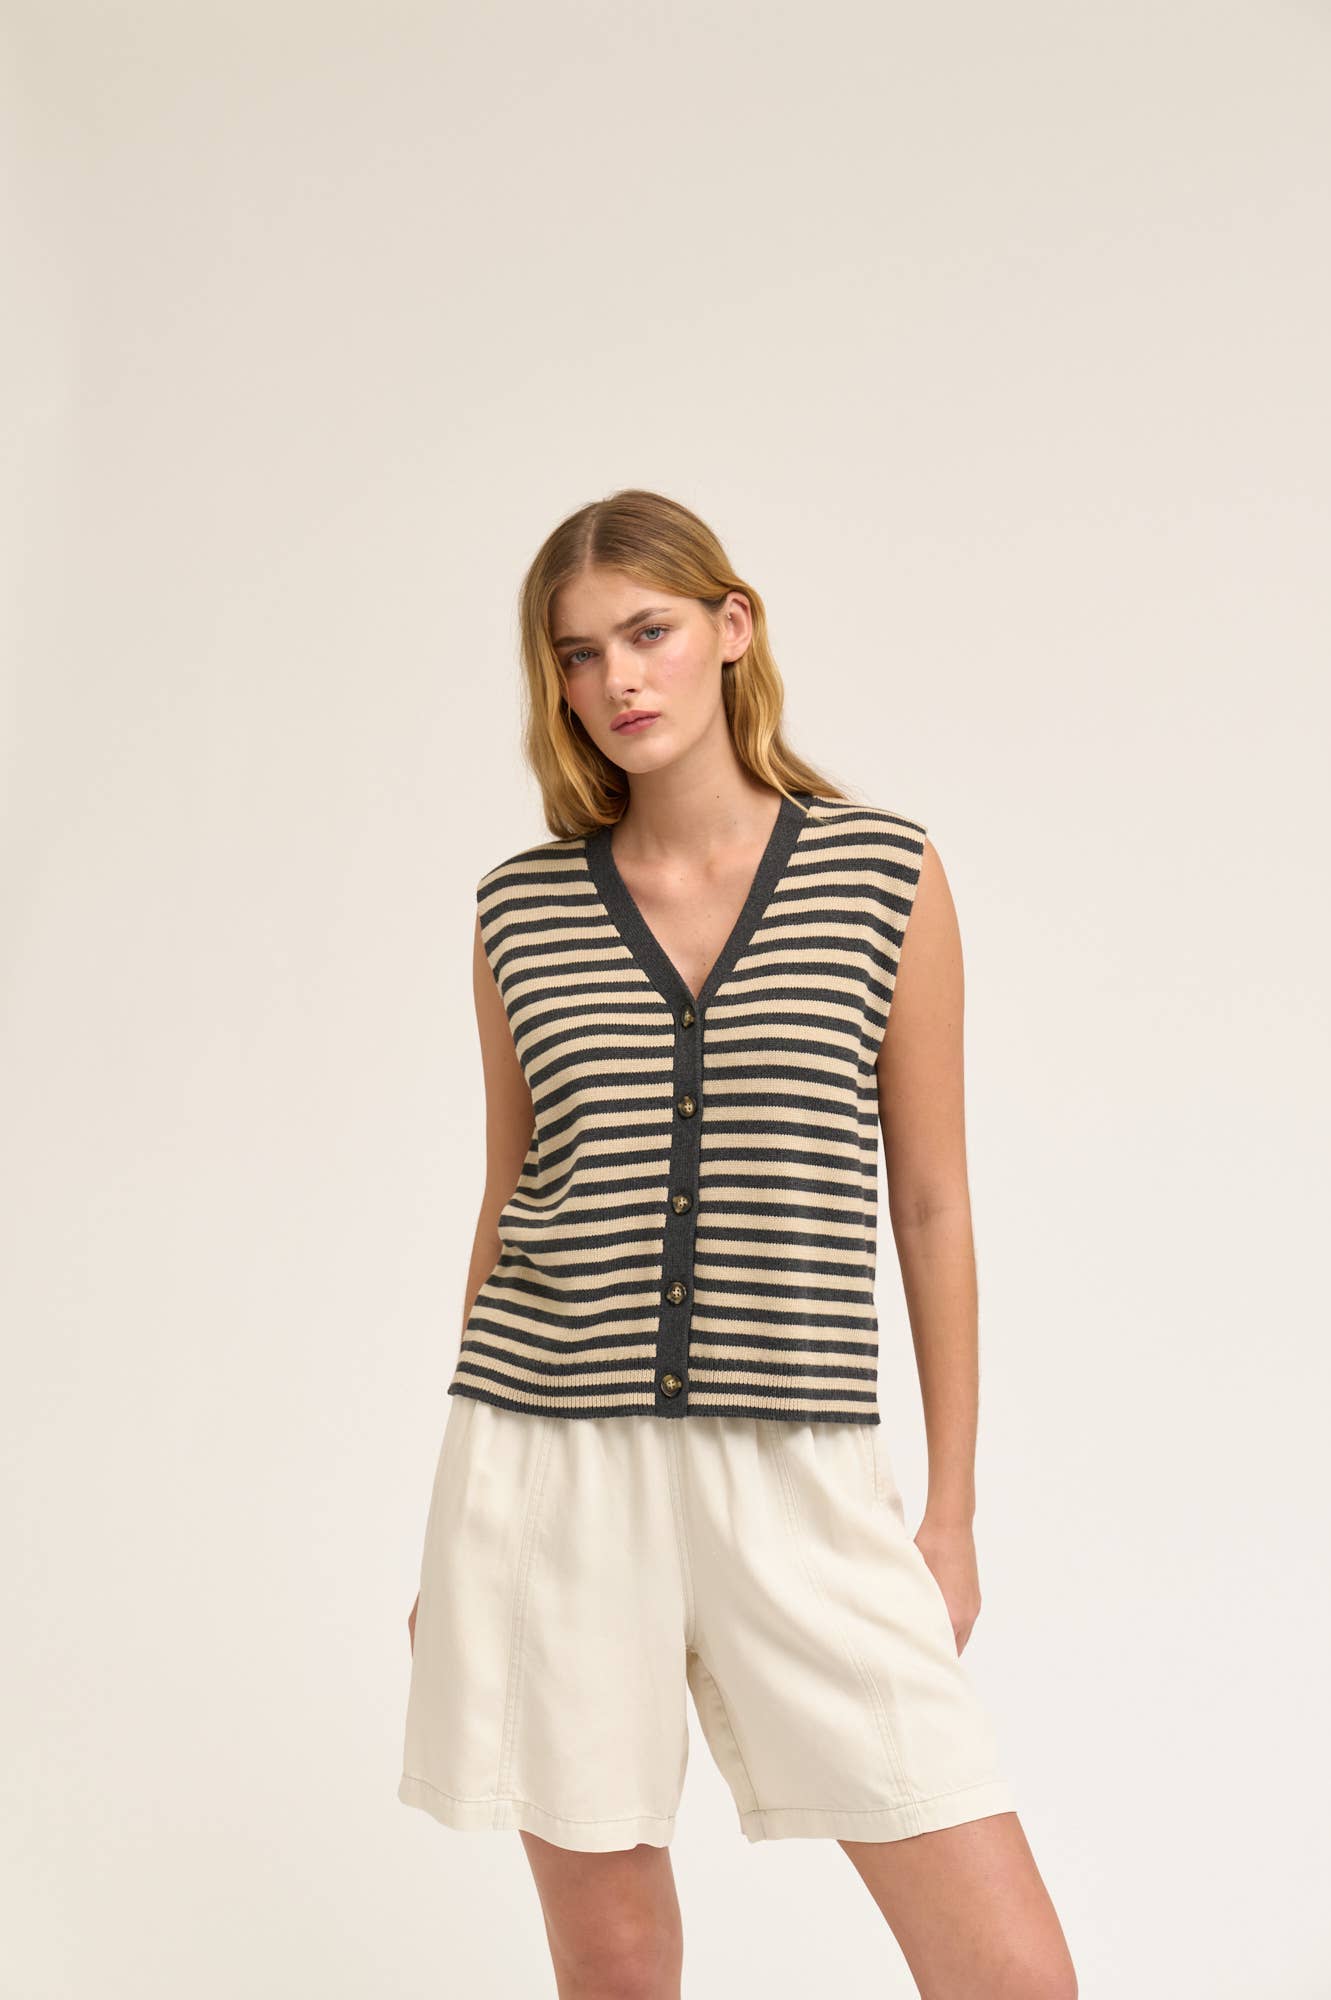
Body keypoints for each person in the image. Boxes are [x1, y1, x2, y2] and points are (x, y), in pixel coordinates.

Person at [397, 488, 1078, 1999]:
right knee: (617, 1961)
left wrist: (951, 1513)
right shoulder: (520, 912)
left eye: (647, 633)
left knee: (1012, 1973)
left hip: (797, 1459)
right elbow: (509, 1202)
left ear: (731, 628)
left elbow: (932, 1203)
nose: (618, 680)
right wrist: (466, 1531)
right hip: (549, 1462)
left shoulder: (883, 875)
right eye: (579, 655)